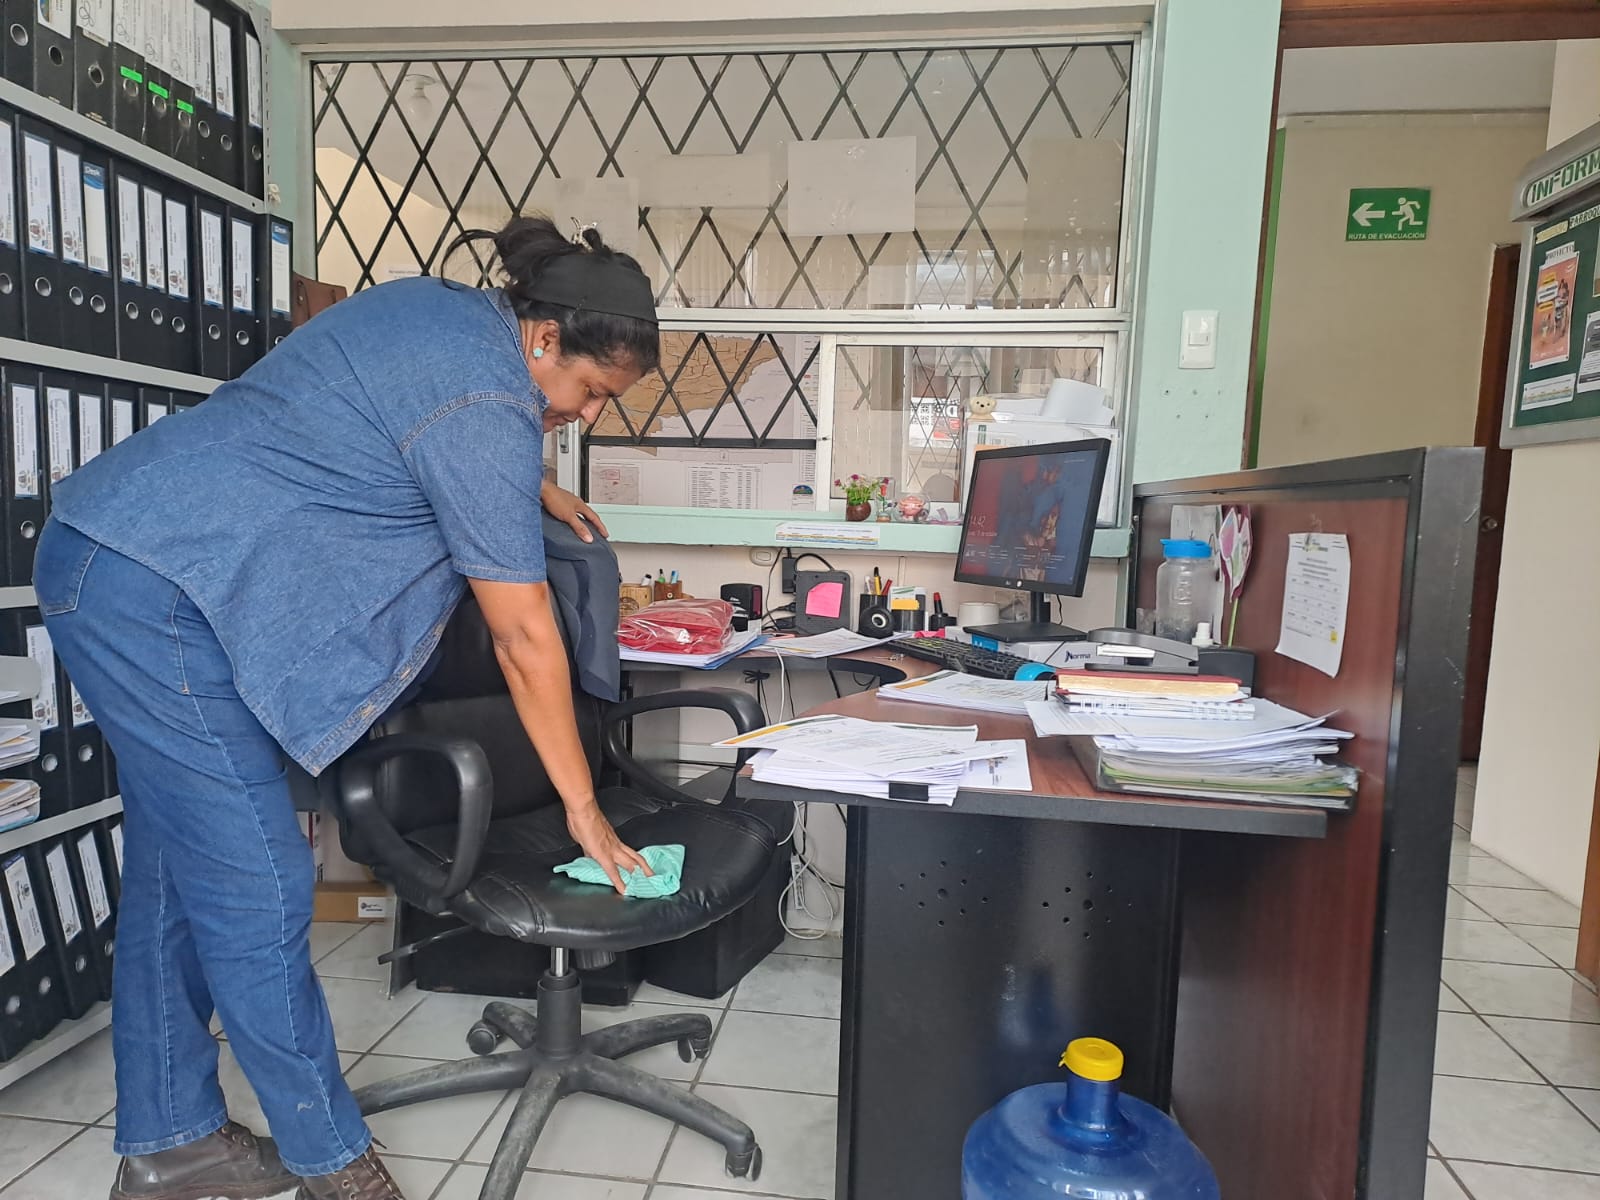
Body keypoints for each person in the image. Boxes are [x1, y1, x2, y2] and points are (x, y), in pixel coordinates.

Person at [34, 216, 660, 1200]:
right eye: (590, 392)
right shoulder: (480, 398)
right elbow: (524, 636)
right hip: (154, 590)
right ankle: (332, 1161)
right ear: (545, 338)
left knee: (174, 877)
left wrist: (522, 479)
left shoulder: (441, 313)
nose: (580, 414)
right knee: (262, 882)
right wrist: (585, 809)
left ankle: (170, 1145)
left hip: (124, 556)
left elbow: (377, 411)